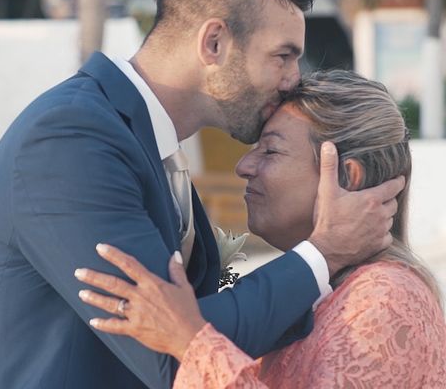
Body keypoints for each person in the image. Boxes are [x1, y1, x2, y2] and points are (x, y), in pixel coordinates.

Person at [0, 0, 403, 388]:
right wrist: (324, 252)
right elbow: (171, 351)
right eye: (283, 56)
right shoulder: (70, 140)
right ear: (214, 43)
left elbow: (185, 328)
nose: (293, 80)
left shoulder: (147, 142)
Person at [75, 70, 446, 387]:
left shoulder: (386, 297)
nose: (244, 166)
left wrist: (190, 341)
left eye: (270, 151)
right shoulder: (327, 290)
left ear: (346, 177)